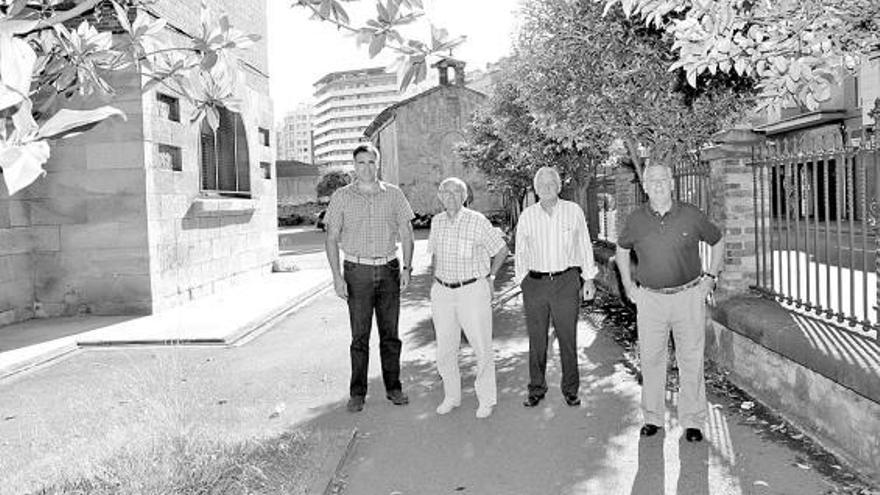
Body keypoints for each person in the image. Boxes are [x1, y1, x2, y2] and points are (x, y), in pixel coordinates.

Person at [615, 163, 724, 442]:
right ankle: (653, 418)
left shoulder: (690, 214)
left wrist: (710, 278)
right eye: (652, 180)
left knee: (691, 359)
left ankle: (694, 422)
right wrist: (629, 286)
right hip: (650, 300)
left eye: (663, 179)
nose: (658, 184)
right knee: (651, 359)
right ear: (645, 186)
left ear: (672, 183)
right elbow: (621, 250)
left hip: (688, 297)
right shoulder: (636, 219)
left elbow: (718, 241)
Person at [324, 143, 415, 413]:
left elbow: (407, 232)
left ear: (378, 163)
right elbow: (331, 238)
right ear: (354, 165)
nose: (367, 168)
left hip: (388, 270)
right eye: (361, 163)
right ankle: (357, 393)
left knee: (391, 335)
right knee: (359, 337)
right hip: (357, 272)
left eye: (371, 162)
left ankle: (394, 388)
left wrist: (407, 268)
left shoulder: (394, 195)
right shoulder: (341, 197)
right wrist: (337, 277)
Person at [514, 166, 598, 408]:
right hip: (536, 284)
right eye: (542, 185)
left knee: (568, 338)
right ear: (536, 188)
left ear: (559, 187)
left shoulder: (573, 211)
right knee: (537, 340)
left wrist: (589, 278)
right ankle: (536, 388)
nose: (547, 188)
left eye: (552, 183)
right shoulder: (527, 216)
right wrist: (522, 282)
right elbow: (520, 251)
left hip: (566, 283)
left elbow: (584, 245)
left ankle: (571, 389)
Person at [429, 177, 509, 419]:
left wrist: (491, 278)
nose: (450, 196)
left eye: (456, 192)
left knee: (481, 347)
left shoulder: (477, 221)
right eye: (445, 191)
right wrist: (435, 282)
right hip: (443, 291)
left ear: (465, 197)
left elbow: (501, 250)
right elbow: (435, 255)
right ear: (440, 196)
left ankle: (486, 399)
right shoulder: (437, 222)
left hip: (472, 290)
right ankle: (451, 396)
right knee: (445, 348)